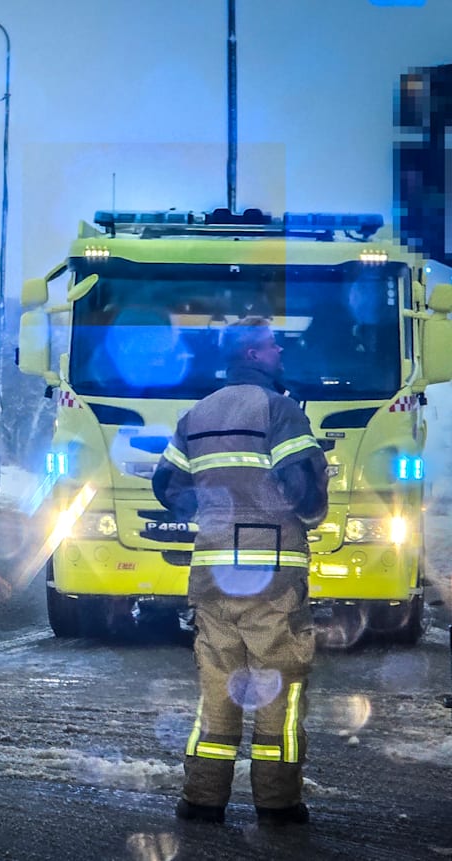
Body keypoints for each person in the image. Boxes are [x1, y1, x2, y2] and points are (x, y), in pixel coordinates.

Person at [152, 316, 329, 826]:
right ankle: (278, 804)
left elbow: (167, 487)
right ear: (253, 355)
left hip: (211, 573)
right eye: (274, 346)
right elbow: (306, 492)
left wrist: (214, 511)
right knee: (278, 686)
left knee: (218, 686)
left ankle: (203, 800)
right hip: (270, 574)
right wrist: (298, 511)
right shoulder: (280, 410)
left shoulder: (197, 414)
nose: (280, 353)